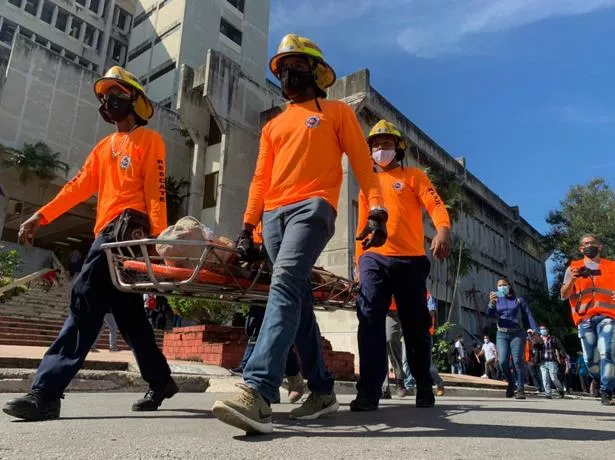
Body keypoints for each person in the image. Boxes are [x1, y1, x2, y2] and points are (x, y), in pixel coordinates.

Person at [211, 34, 388, 435]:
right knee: (297, 298)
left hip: (314, 208)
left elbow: (363, 165)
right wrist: (247, 227)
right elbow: (260, 178)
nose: (288, 73)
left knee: (286, 284)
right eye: (283, 66)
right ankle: (322, 389)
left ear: (315, 72)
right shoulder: (273, 126)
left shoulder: (337, 113)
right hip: (272, 216)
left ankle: (257, 389)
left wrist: (376, 210)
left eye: (296, 65)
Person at [2, 66, 177, 422]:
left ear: (135, 101)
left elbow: (156, 194)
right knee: (130, 318)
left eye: (116, 93)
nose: (108, 100)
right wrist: (42, 216)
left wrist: (156, 242)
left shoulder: (149, 141)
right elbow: (77, 187)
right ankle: (161, 382)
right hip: (105, 233)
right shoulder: (103, 148)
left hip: (126, 232)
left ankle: (47, 393)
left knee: (83, 299)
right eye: (105, 95)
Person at [351, 119, 451, 412]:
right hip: (374, 259)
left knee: (416, 325)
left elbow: (435, 204)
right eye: (376, 145)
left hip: (410, 260)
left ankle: (422, 384)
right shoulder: (366, 184)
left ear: (398, 148)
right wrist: (359, 263)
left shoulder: (413, 177)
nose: (381, 149)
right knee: (369, 319)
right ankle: (369, 390)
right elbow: (361, 229)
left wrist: (442, 229)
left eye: (387, 144)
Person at [560, 233, 615, 405]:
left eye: (592, 243)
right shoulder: (573, 268)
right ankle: (598, 378)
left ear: (600, 246)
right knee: (590, 360)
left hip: (609, 316)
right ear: (580, 248)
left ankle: (606, 391)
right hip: (585, 319)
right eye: (585, 244)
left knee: (608, 351)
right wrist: (572, 280)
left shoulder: (612, 266)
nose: (588, 246)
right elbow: (563, 295)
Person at [488, 276, 538, 399]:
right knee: (503, 361)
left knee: (517, 361)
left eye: (504, 284)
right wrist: (491, 304)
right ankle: (510, 382)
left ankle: (520, 389)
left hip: (517, 333)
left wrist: (534, 329)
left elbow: (528, 314)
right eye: (499, 285)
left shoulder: (518, 299)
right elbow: (489, 315)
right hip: (502, 333)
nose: (501, 287)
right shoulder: (496, 299)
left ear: (509, 286)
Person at [533, 325, 566, 399]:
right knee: (545, 378)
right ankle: (548, 394)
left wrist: (563, 356)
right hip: (542, 362)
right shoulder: (538, 339)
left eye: (544, 329)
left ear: (547, 330)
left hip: (552, 361)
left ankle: (560, 390)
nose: (543, 330)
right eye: (541, 329)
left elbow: (560, 348)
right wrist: (535, 337)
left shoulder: (553, 339)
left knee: (554, 377)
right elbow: (534, 346)